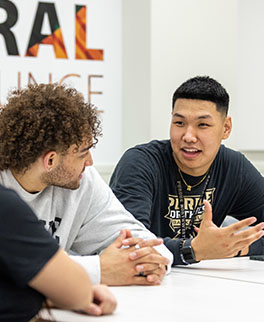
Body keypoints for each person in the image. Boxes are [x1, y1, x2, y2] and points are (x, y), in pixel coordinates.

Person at [0, 83, 172, 287]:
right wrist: (99, 270)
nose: (90, 162)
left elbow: (151, 246)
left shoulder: (82, 181)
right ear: (51, 161)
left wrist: (147, 262)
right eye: (83, 153)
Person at [110, 76, 264, 266]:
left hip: (202, 285)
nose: (188, 136)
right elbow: (129, 246)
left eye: (203, 125)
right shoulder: (140, 163)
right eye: (179, 123)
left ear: (226, 128)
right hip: (144, 284)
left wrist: (234, 247)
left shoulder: (233, 167)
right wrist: (194, 250)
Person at [0, 184, 116, 322]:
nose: (89, 163)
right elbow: (77, 291)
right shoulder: (6, 205)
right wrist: (98, 268)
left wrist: (50, 297)